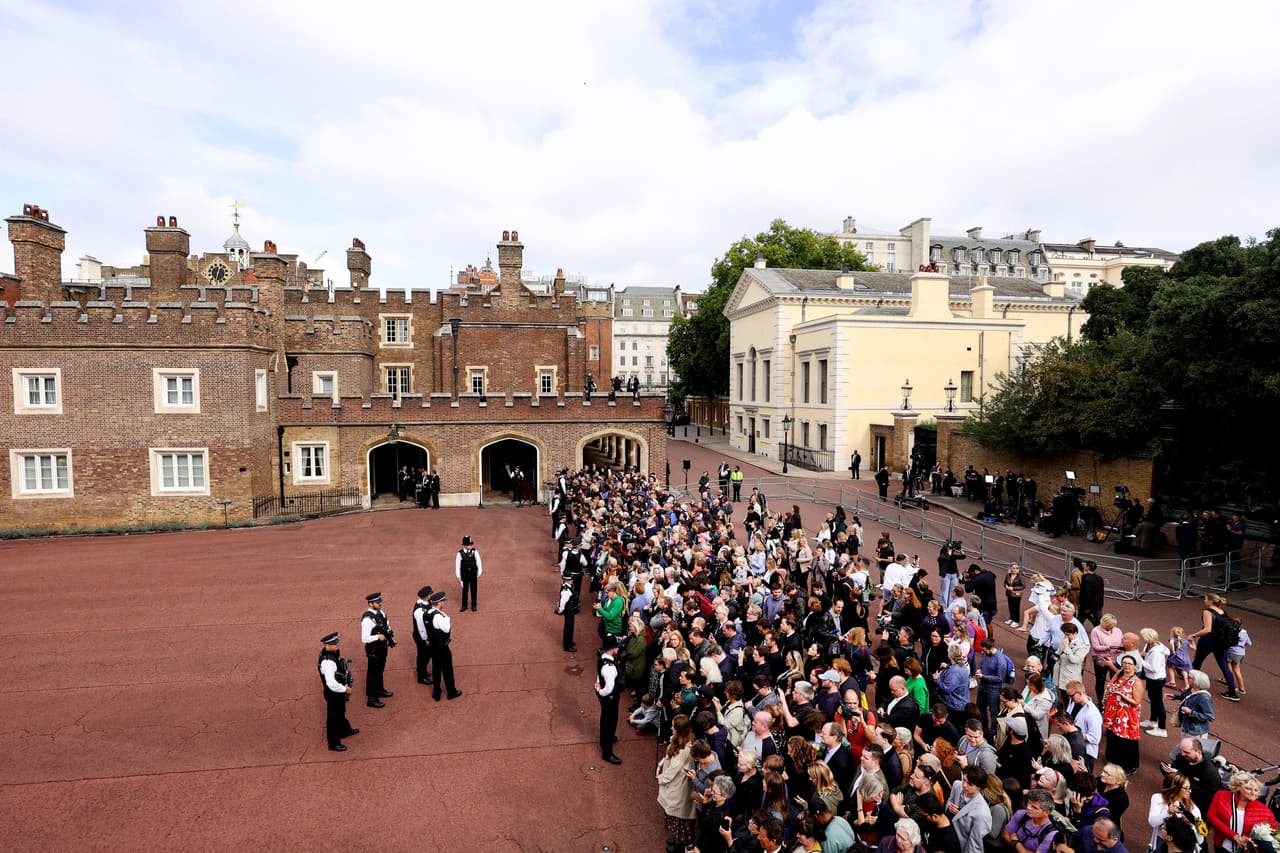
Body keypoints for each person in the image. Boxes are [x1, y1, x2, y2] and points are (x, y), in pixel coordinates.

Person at [1207, 772, 1277, 853]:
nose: (1253, 793)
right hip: (1222, 846)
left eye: (1256, 790)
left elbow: (1273, 834)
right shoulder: (1221, 796)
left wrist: (1253, 842)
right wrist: (1234, 836)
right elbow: (1211, 816)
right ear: (1238, 787)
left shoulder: (1265, 811)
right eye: (1248, 788)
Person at [1102, 655, 1144, 774]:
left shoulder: (1137, 682)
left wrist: (1122, 695)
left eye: (1129, 664)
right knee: (1112, 735)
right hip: (1113, 712)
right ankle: (1112, 759)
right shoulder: (1119, 674)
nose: (1126, 666)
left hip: (1127, 716)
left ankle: (1129, 766)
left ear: (1135, 667)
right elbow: (1110, 684)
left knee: (1126, 740)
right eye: (1124, 663)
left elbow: (1137, 701)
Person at [317, 631, 358, 752]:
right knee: (333, 717)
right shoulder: (328, 662)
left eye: (336, 642)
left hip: (336, 691)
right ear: (327, 645)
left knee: (340, 711)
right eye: (334, 644)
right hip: (333, 692)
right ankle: (334, 743)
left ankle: (345, 730)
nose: (337, 645)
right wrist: (345, 689)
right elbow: (331, 683)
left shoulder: (330, 653)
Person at [1146, 772, 1202, 853]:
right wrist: (1168, 812)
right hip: (1162, 841)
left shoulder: (1193, 809)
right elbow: (1152, 822)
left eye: (1190, 788)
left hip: (1184, 848)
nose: (1189, 791)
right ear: (1175, 788)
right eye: (1186, 788)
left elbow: (1200, 840)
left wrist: (1192, 826)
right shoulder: (1158, 798)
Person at [947, 766, 994, 853]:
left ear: (979, 787)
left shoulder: (982, 813)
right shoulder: (957, 785)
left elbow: (974, 844)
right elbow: (950, 800)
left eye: (970, 784)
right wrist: (949, 807)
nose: (964, 785)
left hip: (960, 846)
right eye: (964, 780)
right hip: (947, 832)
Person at [360, 592, 395, 708]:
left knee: (380, 670)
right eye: (377, 602)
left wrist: (389, 632)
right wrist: (377, 637)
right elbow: (364, 638)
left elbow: (386, 625)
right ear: (370, 604)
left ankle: (380, 689)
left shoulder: (382, 613)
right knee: (373, 673)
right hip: (373, 649)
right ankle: (372, 697)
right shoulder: (367, 619)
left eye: (380, 602)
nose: (380, 604)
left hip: (382, 647)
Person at [425, 591, 462, 701]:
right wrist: (447, 617)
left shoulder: (426, 613)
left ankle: (436, 693)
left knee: (436, 669)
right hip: (442, 647)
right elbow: (446, 629)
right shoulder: (438, 616)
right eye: (443, 601)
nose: (444, 603)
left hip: (432, 646)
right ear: (439, 603)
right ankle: (451, 692)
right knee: (447, 670)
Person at [596, 635, 624, 765]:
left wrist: (597, 685)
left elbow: (598, 675)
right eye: (616, 647)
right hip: (610, 698)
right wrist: (600, 692)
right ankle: (607, 752)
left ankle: (607, 738)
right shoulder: (610, 667)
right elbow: (608, 688)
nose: (618, 649)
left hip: (608, 697)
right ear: (612, 649)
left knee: (607, 720)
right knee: (609, 722)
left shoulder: (602, 658)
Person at [1139, 628, 1172, 738]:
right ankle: (1153, 721)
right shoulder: (1151, 646)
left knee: (1158, 703)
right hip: (1152, 678)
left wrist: (1140, 660)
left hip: (1156, 678)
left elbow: (1154, 668)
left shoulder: (1156, 652)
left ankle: (1162, 728)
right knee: (1153, 700)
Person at [411, 585, 434, 685]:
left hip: (425, 635)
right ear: (427, 596)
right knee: (423, 655)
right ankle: (421, 676)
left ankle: (423, 670)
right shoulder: (419, 610)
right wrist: (426, 639)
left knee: (426, 655)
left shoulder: (426, 602)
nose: (431, 595)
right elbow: (421, 627)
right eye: (430, 594)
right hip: (421, 636)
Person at [455, 534, 482, 612]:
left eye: (471, 544)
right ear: (465, 545)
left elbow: (479, 562)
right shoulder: (460, 553)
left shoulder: (475, 552)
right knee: (465, 590)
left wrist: (479, 573)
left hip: (473, 573)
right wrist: (458, 576)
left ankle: (474, 604)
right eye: (469, 544)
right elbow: (457, 566)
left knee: (474, 589)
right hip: (464, 574)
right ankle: (464, 605)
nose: (471, 545)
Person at [557, 568, 580, 653]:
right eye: (570, 579)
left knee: (570, 627)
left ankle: (569, 642)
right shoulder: (566, 590)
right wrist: (561, 610)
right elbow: (563, 602)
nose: (572, 580)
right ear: (567, 580)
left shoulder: (568, 587)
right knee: (568, 627)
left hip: (571, 610)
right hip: (569, 611)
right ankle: (567, 646)